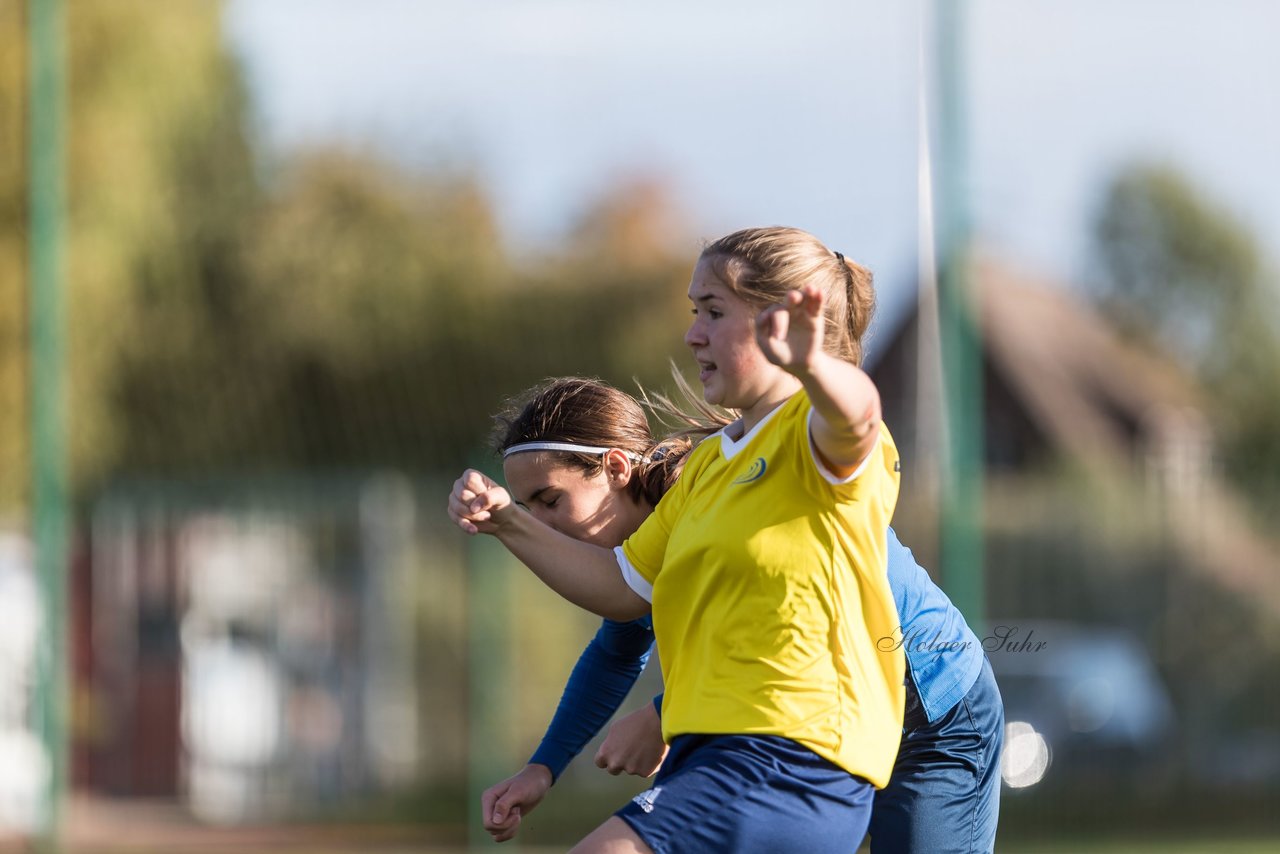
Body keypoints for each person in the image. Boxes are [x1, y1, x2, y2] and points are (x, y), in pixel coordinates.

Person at [450, 226, 905, 853]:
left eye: (713, 312)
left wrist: (815, 366)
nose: (693, 334)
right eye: (694, 312)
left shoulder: (816, 435)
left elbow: (858, 414)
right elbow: (619, 588)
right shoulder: (710, 467)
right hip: (721, 755)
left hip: (787, 751)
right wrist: (506, 521)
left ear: (780, 319)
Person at [480, 377, 1003, 853]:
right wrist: (543, 767)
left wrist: (662, 714)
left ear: (616, 467)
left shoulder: (719, 501)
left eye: (551, 500)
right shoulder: (642, 549)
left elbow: (800, 629)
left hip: (934, 712)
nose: (542, 526)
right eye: (528, 510)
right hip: (827, 732)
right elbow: (614, 655)